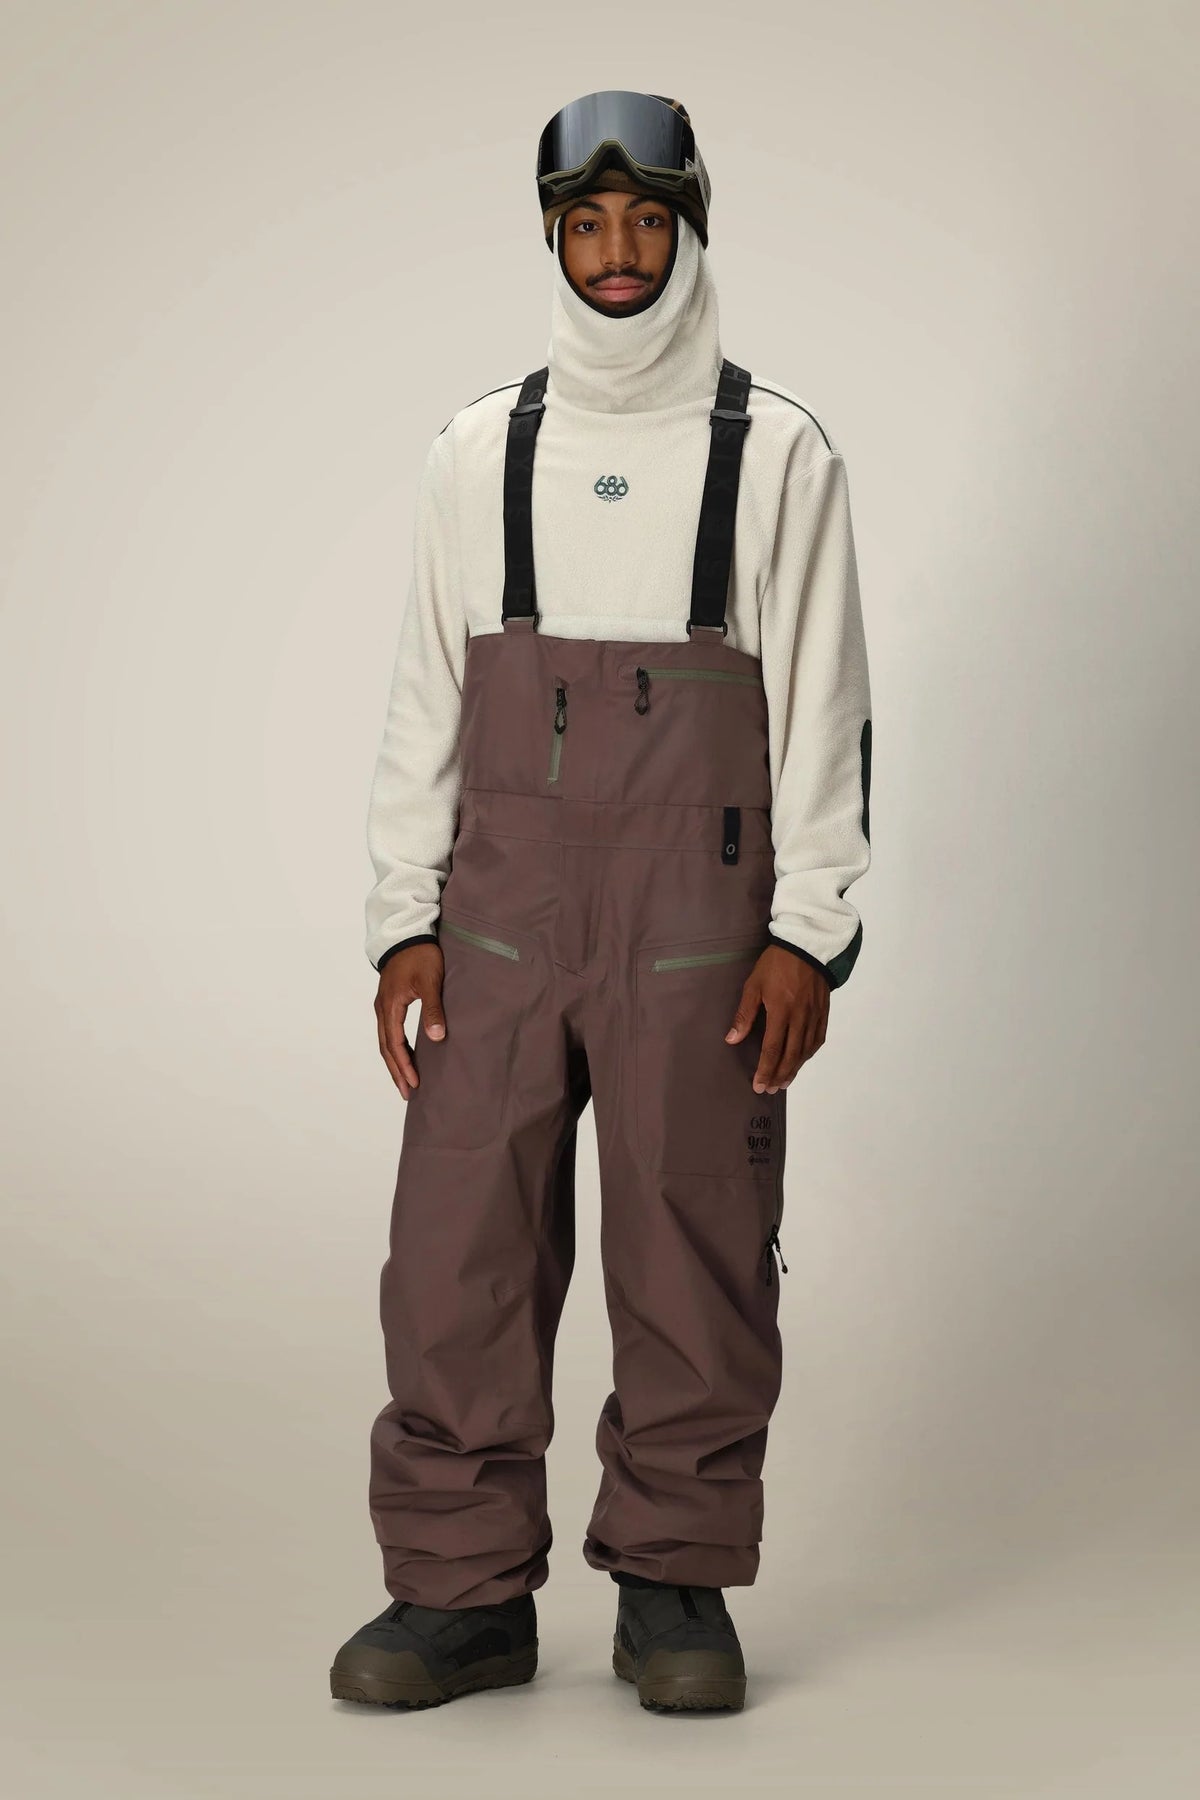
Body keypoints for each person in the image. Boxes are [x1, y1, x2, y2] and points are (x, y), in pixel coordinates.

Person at [330, 91, 873, 1715]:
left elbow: (828, 708)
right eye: (586, 224)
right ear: (552, 240)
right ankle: (459, 1597)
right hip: (498, 919)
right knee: (459, 1252)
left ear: (691, 228)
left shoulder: (775, 452)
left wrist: (809, 933)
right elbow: (425, 700)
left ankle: (675, 1585)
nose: (618, 253)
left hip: (700, 930)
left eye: (646, 220)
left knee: (692, 1246)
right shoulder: (480, 447)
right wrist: (403, 918)